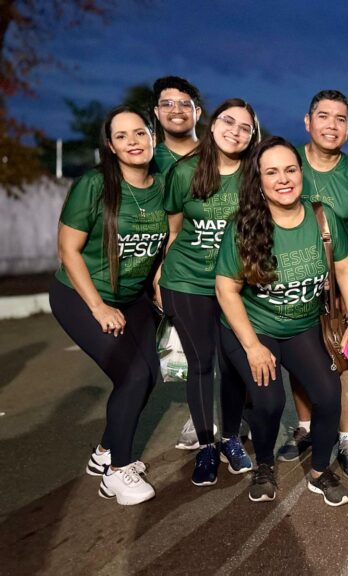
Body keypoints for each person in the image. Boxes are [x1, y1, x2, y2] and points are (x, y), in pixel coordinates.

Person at [215, 136, 348, 506]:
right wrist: (252, 347)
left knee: (329, 396)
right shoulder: (245, 226)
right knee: (269, 401)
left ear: (301, 173)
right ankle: (263, 465)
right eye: (272, 172)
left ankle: (319, 471)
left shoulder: (322, 217)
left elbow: (345, 270)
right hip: (253, 327)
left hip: (301, 326)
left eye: (290, 169)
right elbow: (226, 289)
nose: (283, 179)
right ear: (259, 180)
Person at [50, 105, 168, 505]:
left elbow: (161, 246)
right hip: (81, 295)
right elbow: (68, 249)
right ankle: (117, 473)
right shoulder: (95, 184)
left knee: (150, 375)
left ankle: (104, 453)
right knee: (133, 376)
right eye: (122, 136)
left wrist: (156, 285)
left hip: (131, 298)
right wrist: (98, 307)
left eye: (140, 133)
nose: (133, 142)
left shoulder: (162, 186)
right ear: (111, 146)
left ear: (153, 136)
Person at [158, 99, 260, 486]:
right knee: (201, 363)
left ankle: (232, 438)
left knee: (234, 364)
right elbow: (174, 229)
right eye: (228, 122)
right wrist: (159, 276)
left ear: (253, 136)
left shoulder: (254, 175)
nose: (235, 131)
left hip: (235, 286)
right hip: (187, 282)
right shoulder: (185, 172)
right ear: (213, 124)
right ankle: (205, 446)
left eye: (245, 127)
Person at [276, 90, 348, 480]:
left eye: (339, 119)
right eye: (323, 116)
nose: (331, 125)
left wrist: (346, 288)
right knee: (301, 361)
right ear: (308, 121)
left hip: (337, 286)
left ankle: (347, 436)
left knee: (346, 356)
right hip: (291, 284)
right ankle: (304, 427)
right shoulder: (288, 163)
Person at [152, 76, 202, 173]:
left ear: (197, 113)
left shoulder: (217, 154)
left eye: (185, 104)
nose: (177, 110)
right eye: (167, 104)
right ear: (157, 112)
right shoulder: (149, 159)